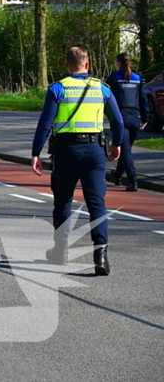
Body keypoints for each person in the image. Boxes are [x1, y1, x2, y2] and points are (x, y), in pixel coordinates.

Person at [31, 46, 124, 276]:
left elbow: (45, 124)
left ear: (66, 66)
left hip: (66, 152)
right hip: (94, 152)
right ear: (87, 64)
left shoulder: (58, 88)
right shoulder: (102, 88)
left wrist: (35, 152)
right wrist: (117, 144)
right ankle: (100, 255)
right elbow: (118, 122)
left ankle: (60, 251)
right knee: (96, 203)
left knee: (63, 202)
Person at [106, 52, 149, 191]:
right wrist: (145, 117)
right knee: (126, 149)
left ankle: (133, 179)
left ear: (118, 63)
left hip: (120, 117)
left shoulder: (114, 78)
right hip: (135, 117)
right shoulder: (138, 78)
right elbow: (143, 99)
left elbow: (105, 95)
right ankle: (118, 175)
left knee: (125, 150)